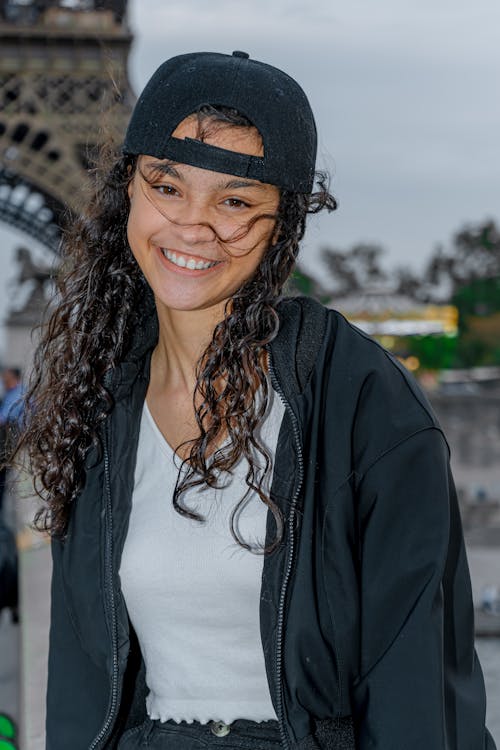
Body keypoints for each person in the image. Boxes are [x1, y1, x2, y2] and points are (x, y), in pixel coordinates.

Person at [14, 51, 495, 750]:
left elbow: (417, 688)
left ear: (283, 225)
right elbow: (83, 690)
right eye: (168, 187)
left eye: (235, 201)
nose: (192, 225)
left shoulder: (364, 405)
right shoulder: (101, 407)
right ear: (130, 191)